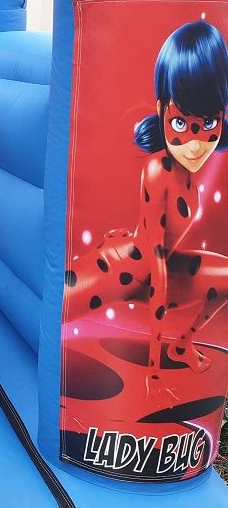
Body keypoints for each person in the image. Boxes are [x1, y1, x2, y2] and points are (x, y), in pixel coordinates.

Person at [63, 20, 228, 396]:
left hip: (160, 264)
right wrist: (153, 370)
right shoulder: (158, 170)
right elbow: (156, 265)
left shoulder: (187, 171)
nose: (195, 145)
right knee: (59, 303)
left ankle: (182, 344)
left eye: (207, 123)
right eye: (181, 123)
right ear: (161, 110)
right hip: (126, 270)